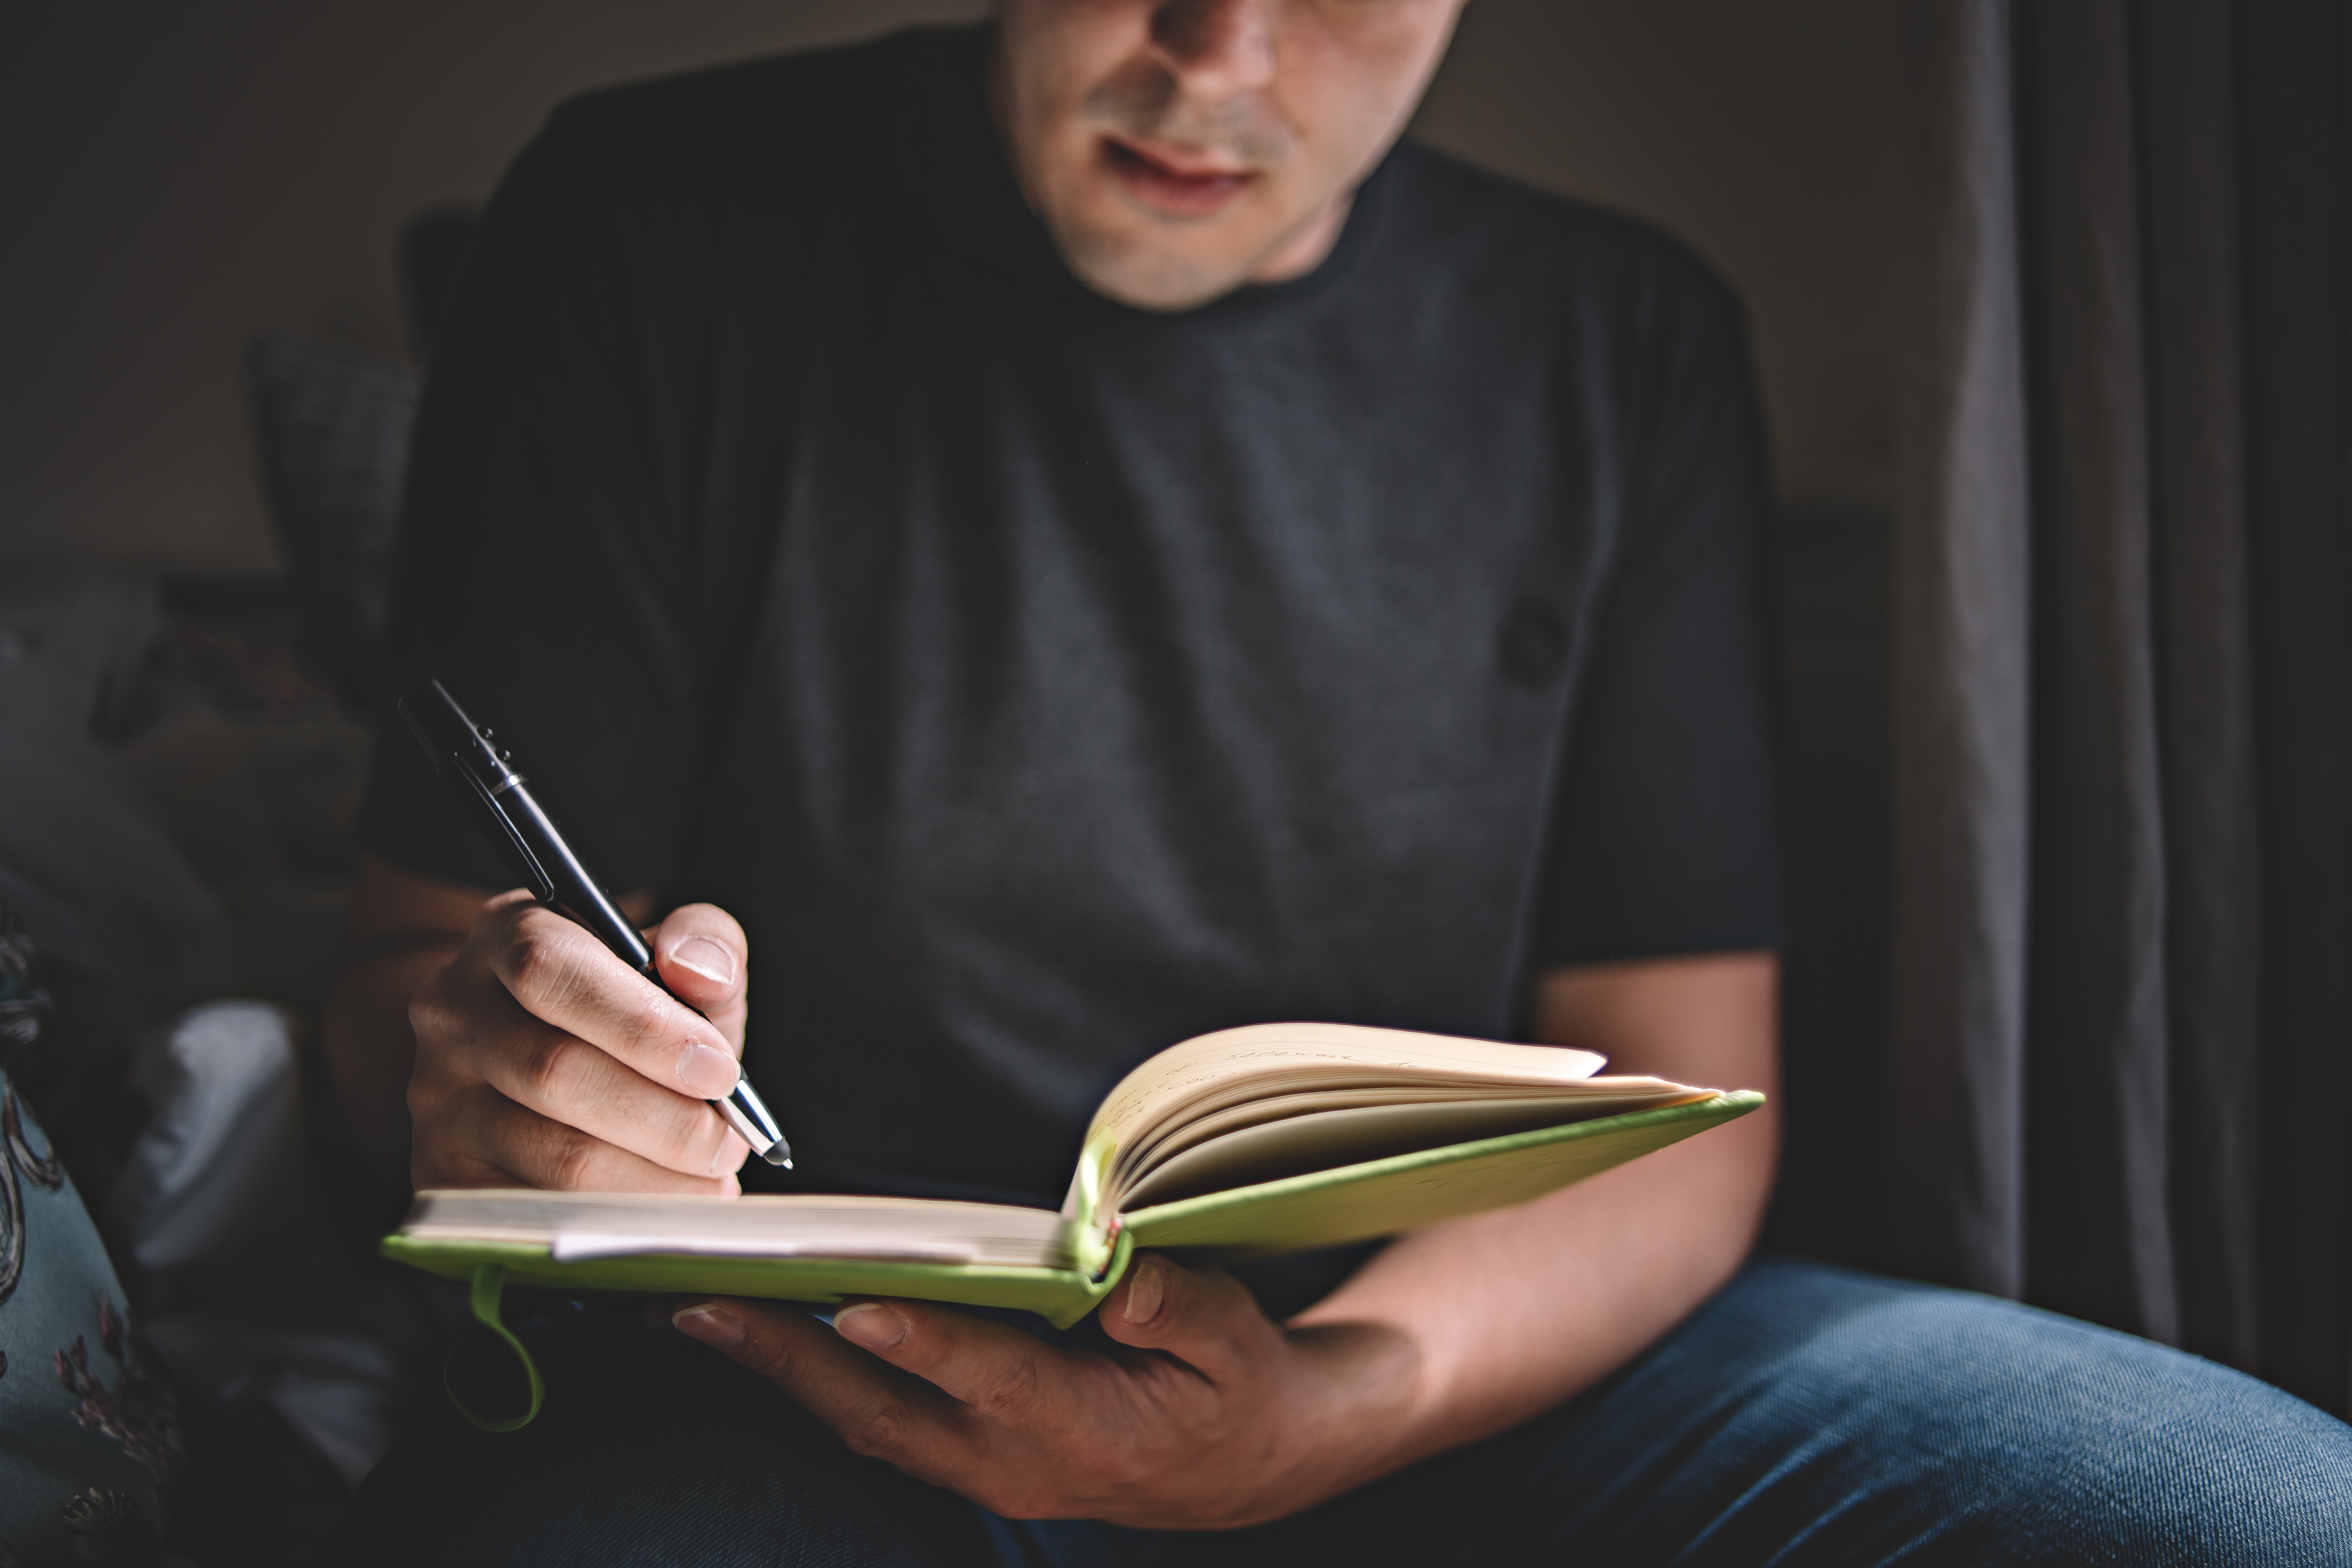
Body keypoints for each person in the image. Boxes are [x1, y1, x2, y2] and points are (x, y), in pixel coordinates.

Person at [333, 3, 2352, 1562]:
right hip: (789, 1383)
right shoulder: (643, 225)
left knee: (2266, 1522)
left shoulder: (1619, 342)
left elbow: (1683, 1101)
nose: (1215, 59)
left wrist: (1326, 1413)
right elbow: (410, 982)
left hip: (1467, 1364)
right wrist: (502, 1084)